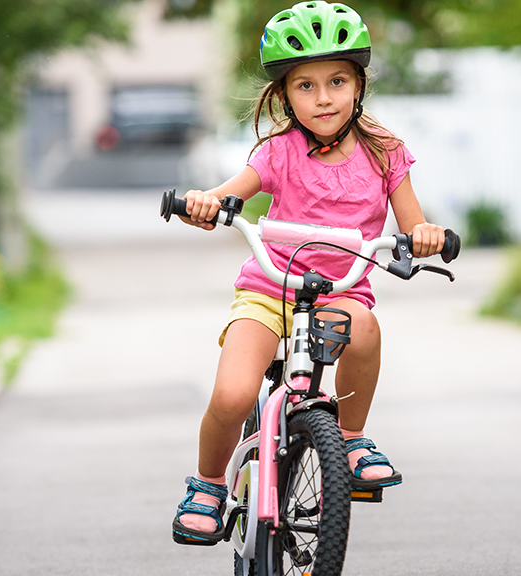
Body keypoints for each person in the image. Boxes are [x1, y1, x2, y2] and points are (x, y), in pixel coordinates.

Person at [172, 0, 445, 546]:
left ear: (359, 83)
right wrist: (206, 204)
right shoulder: (277, 153)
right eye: (306, 86)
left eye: (337, 80)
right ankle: (206, 485)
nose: (324, 98)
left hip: (339, 295)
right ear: (284, 95)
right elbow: (228, 196)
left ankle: (350, 438)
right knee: (232, 395)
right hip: (269, 290)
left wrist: (425, 235)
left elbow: (413, 225)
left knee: (364, 328)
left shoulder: (386, 151)